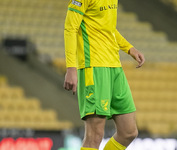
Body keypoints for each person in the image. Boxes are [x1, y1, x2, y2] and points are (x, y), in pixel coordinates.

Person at [63, 0, 145, 149]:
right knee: (94, 136)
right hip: (93, 68)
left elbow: (108, 28)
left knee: (129, 132)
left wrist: (129, 48)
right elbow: (70, 28)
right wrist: (71, 68)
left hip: (114, 66)